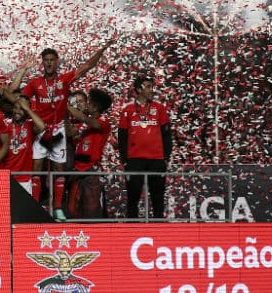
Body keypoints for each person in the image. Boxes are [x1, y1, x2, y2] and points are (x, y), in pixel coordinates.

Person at [15, 40, 114, 207]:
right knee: (37, 168)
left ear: (57, 62)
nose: (49, 63)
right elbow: (21, 99)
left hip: (59, 129)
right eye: (46, 60)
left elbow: (87, 66)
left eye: (52, 60)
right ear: (42, 62)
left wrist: (102, 49)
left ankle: (58, 207)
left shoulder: (65, 79)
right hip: (41, 130)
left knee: (58, 170)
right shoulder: (35, 83)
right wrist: (21, 102)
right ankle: (35, 205)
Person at [118, 77, 172, 220]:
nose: (151, 90)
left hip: (157, 159)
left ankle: (159, 230)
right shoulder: (128, 109)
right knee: (133, 197)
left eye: (151, 86)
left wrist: (166, 157)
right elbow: (122, 137)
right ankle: (132, 230)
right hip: (134, 160)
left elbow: (167, 134)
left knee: (158, 197)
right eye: (148, 86)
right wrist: (125, 160)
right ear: (139, 89)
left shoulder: (159, 108)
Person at [64, 89, 113, 220]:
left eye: (89, 103)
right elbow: (70, 134)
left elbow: (91, 122)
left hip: (91, 170)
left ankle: (96, 237)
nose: (87, 105)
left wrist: (66, 106)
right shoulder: (83, 125)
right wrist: (64, 115)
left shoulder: (103, 121)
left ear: (96, 107)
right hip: (77, 170)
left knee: (92, 209)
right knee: (73, 209)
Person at [0, 94, 45, 195]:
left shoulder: (29, 125)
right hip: (6, 176)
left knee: (23, 210)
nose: (17, 111)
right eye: (15, 107)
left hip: (24, 178)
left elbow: (41, 126)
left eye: (21, 108)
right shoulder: (5, 124)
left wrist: (27, 109)